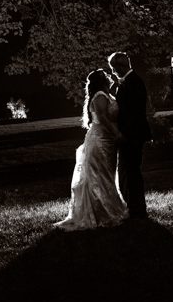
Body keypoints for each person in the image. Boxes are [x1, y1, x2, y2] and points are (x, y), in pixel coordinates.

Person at [54, 69, 128, 230]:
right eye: (106, 76)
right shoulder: (100, 96)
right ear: (101, 81)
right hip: (101, 139)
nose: (109, 77)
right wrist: (116, 133)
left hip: (108, 140)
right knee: (99, 174)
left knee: (107, 174)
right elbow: (102, 117)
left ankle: (108, 207)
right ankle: (100, 212)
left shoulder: (106, 94)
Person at [108, 52, 152, 219]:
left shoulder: (134, 82)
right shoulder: (128, 82)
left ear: (121, 66)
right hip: (130, 135)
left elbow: (134, 113)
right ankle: (133, 207)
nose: (113, 72)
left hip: (132, 136)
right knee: (127, 172)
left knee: (132, 172)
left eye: (114, 68)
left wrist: (124, 134)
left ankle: (137, 209)